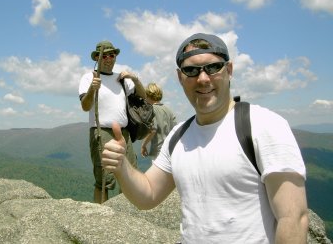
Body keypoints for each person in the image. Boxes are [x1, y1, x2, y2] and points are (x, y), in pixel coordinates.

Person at [101, 33, 308, 243]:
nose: (202, 78)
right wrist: (121, 166)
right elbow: (148, 195)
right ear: (180, 77)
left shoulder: (263, 125)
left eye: (213, 67)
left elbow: (293, 218)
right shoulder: (179, 136)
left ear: (229, 70)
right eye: (190, 70)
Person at [78, 40, 146, 203]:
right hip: (101, 131)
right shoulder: (89, 77)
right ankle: (101, 216)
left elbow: (143, 97)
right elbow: (85, 107)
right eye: (105, 56)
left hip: (124, 133)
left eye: (112, 55)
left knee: (129, 175)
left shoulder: (121, 79)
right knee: (104, 179)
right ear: (97, 59)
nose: (109, 59)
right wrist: (92, 89)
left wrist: (135, 79)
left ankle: (126, 214)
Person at [141, 83, 177, 159]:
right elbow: (175, 130)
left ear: (148, 95)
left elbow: (153, 130)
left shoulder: (151, 109)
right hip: (171, 150)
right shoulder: (169, 110)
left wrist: (143, 145)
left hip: (158, 152)